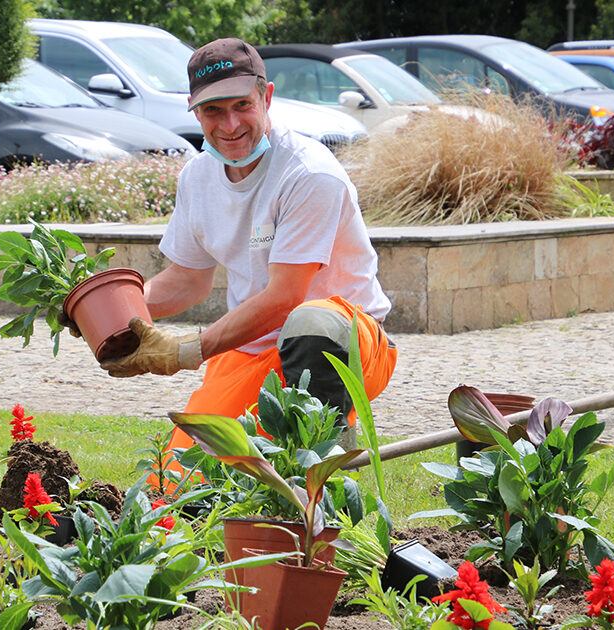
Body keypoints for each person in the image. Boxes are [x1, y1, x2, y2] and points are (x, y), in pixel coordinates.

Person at [97, 37, 398, 448]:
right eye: (213, 111)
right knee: (181, 486)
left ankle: (323, 461)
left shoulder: (308, 174)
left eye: (242, 105)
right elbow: (188, 279)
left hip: (346, 346)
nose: (230, 125)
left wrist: (185, 350)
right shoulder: (197, 177)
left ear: (266, 96)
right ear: (195, 110)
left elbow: (285, 297)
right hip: (249, 350)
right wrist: (109, 311)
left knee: (312, 322)